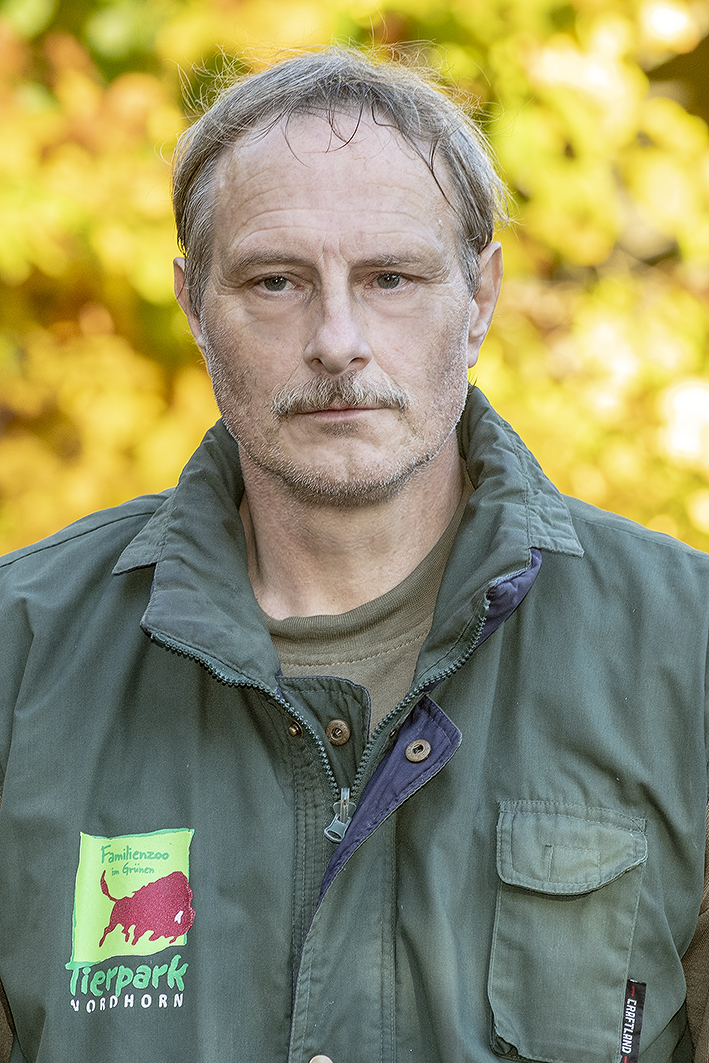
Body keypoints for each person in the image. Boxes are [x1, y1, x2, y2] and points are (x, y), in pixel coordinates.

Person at [0, 46, 708, 1063]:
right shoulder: (20, 653)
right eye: (275, 281)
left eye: (389, 278)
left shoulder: (686, 651)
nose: (337, 340)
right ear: (194, 305)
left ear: (480, 297)